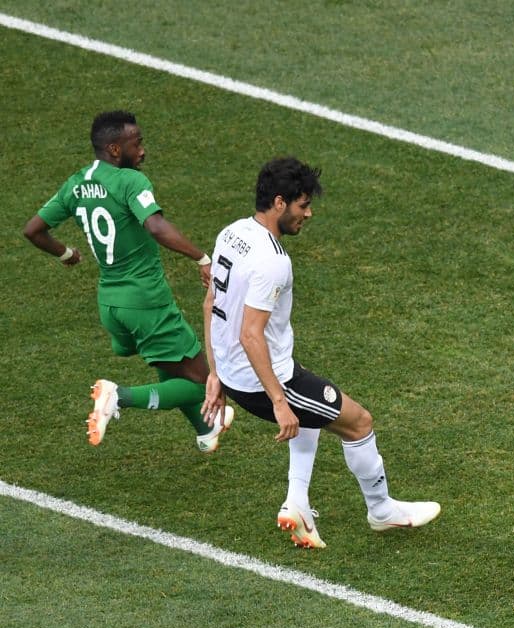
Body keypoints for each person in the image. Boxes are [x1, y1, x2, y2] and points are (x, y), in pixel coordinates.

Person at [200, 156, 440, 549]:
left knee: (313, 410)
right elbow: (250, 335)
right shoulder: (273, 261)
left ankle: (297, 502)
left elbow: (211, 303)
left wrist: (215, 372)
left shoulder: (232, 234)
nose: (307, 214)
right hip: (265, 379)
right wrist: (278, 400)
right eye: (303, 205)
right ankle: (381, 510)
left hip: (235, 371)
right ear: (280, 202)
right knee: (359, 422)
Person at [23, 110, 233, 452]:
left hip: (111, 304)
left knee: (170, 362)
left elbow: (33, 230)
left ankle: (205, 429)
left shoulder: (76, 184)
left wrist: (65, 254)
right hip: (146, 301)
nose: (143, 151)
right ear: (115, 150)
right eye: (137, 144)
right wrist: (201, 257)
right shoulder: (131, 182)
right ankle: (118, 396)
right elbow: (156, 227)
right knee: (203, 383)